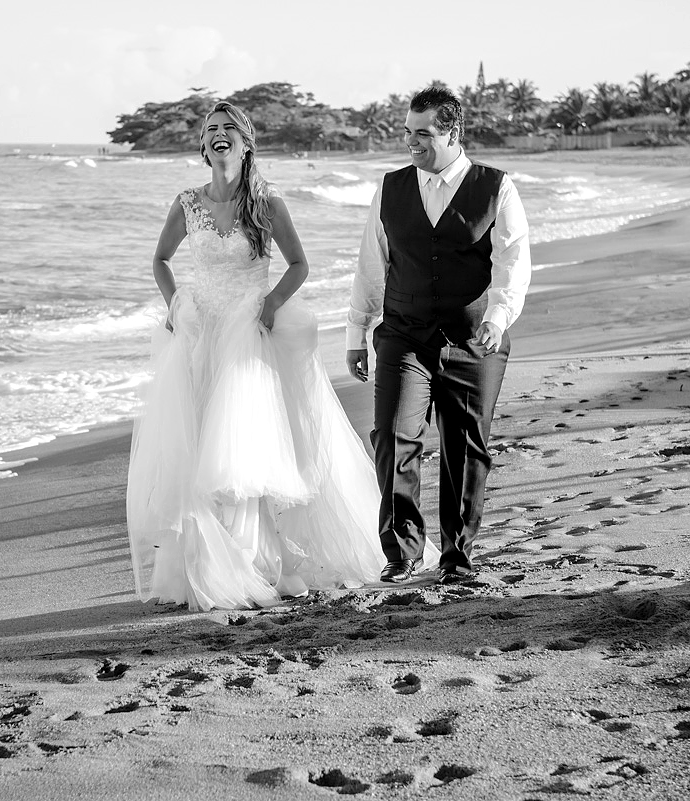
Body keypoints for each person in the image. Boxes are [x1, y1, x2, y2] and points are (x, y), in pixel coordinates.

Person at [126, 101, 436, 611]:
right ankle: (207, 567)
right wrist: (174, 304)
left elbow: (298, 265)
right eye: (212, 130)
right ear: (203, 146)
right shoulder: (186, 202)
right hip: (201, 332)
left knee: (244, 450)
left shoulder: (266, 202)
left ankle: (265, 564)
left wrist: (271, 303)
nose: (220, 135)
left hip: (249, 332)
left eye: (230, 128)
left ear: (247, 144)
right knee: (199, 446)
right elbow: (160, 260)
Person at [346, 87, 532, 586]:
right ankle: (402, 551)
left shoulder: (497, 187)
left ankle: (457, 556)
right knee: (392, 435)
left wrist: (498, 318)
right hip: (403, 334)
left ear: (452, 133)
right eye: (407, 132)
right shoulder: (391, 188)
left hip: (475, 340)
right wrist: (356, 329)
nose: (411, 142)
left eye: (422, 134)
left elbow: (512, 261)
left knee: (466, 448)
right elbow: (371, 265)